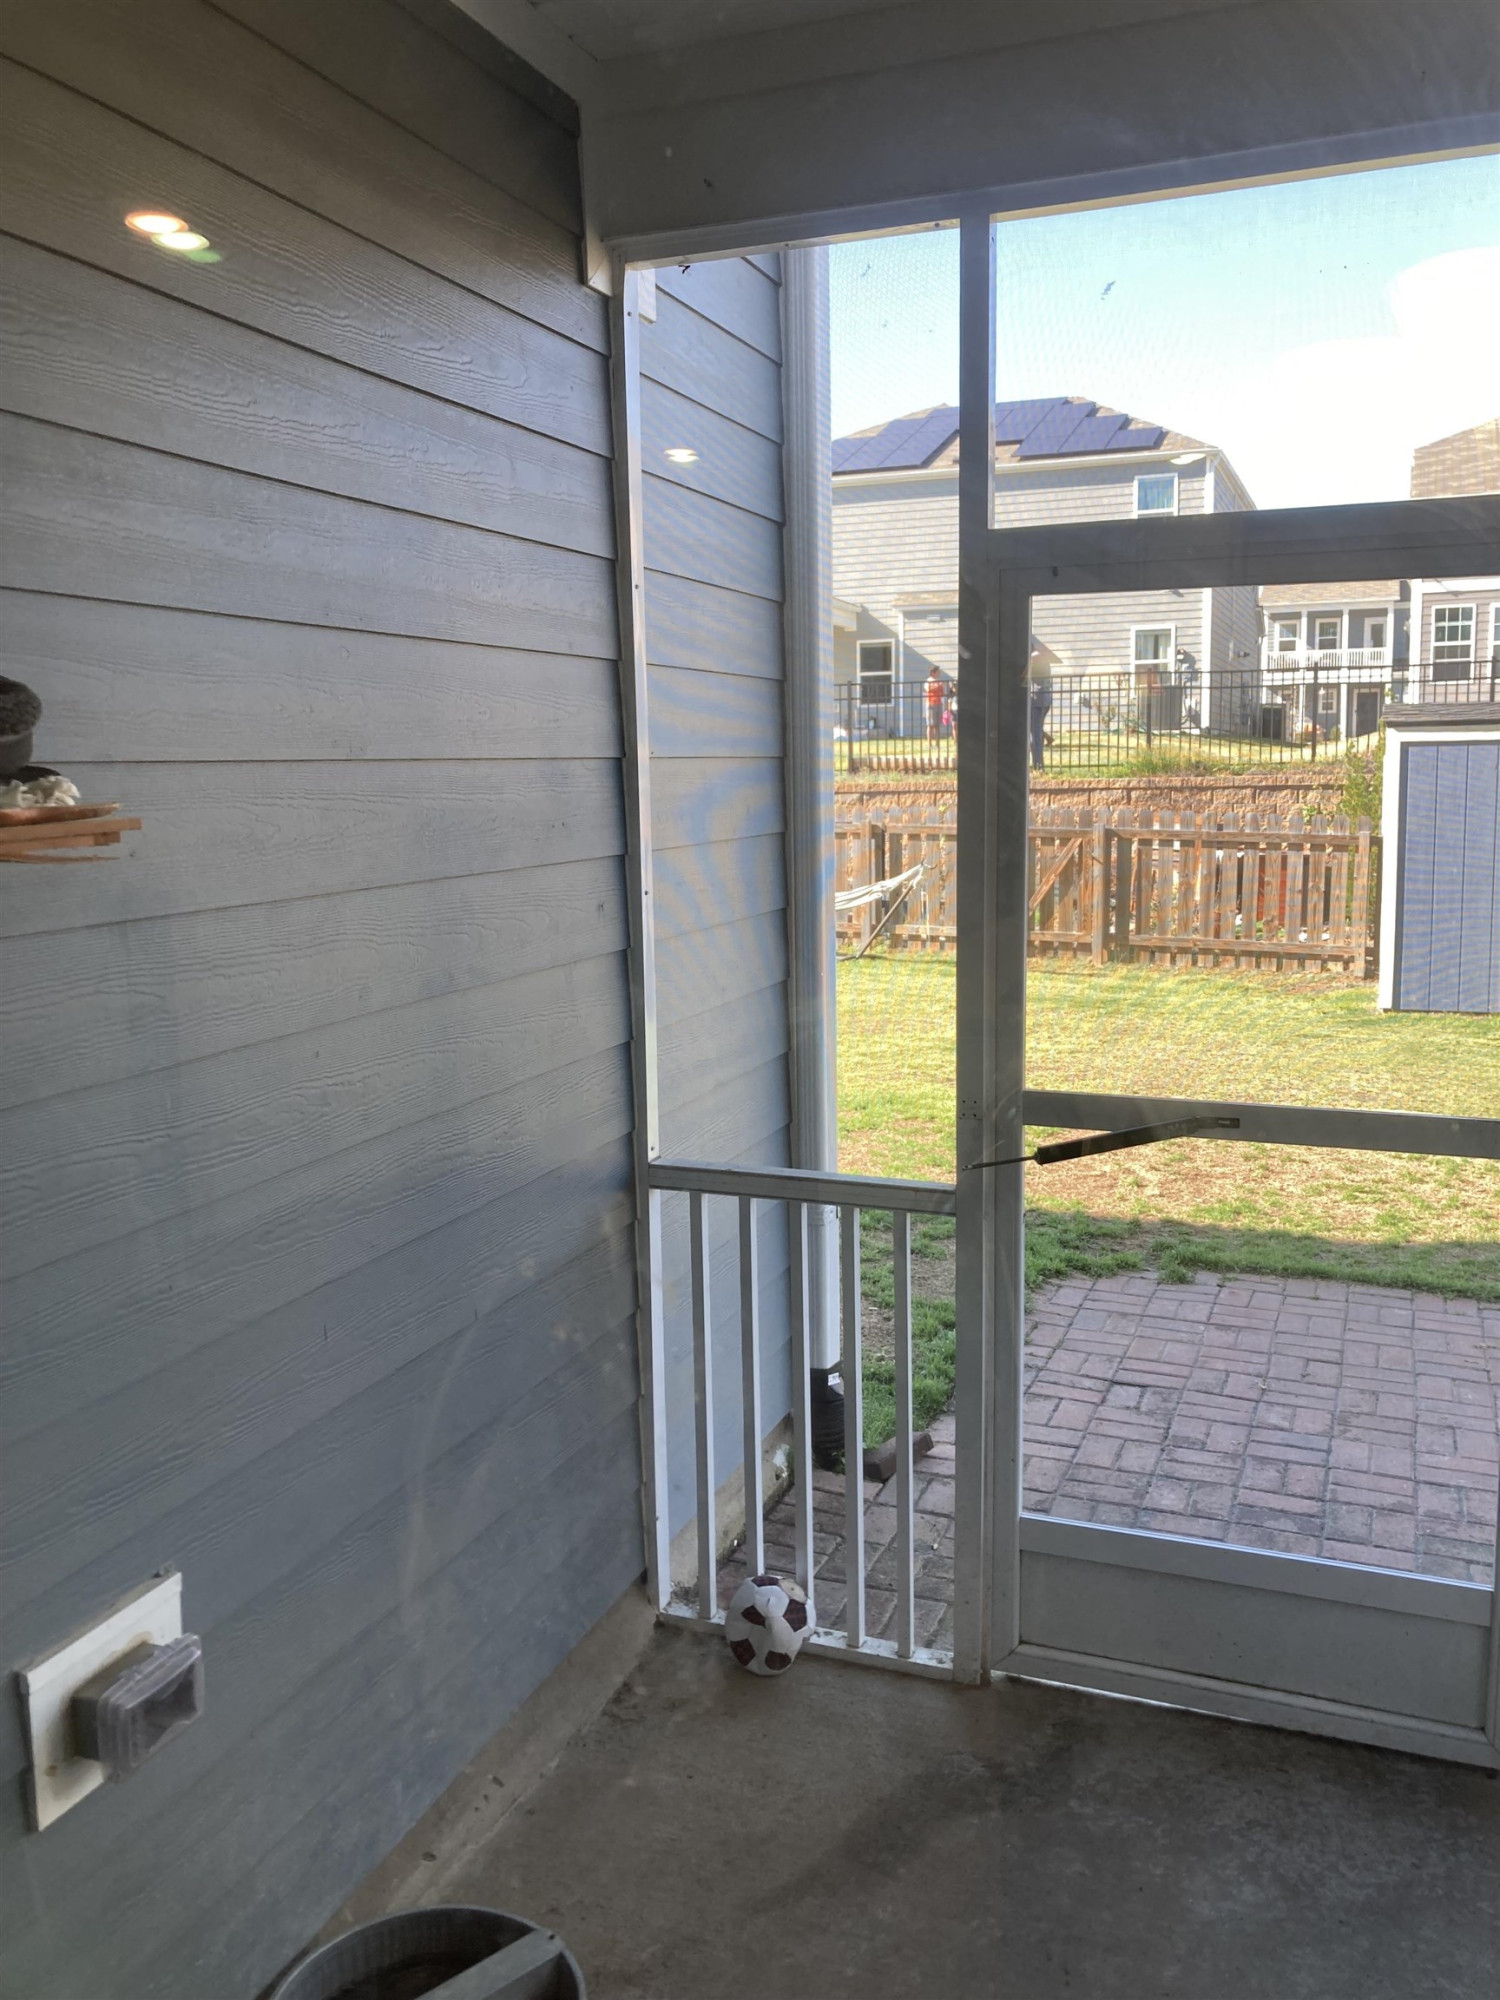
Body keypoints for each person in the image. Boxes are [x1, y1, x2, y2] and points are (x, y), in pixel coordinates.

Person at [1027, 634, 1054, 772]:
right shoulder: (1041, 656)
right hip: (1044, 699)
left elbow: (1024, 674)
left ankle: (1038, 766)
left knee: (1035, 734)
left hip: (1037, 700)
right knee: (1034, 730)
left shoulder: (1035, 657)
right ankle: (1038, 764)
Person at [924, 668, 946, 743]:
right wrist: (938, 686)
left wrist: (941, 687)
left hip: (939, 703)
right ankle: (929, 744)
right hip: (931, 704)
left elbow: (942, 693)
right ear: (933, 672)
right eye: (938, 672)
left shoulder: (939, 682)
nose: (939, 673)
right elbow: (928, 689)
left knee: (937, 725)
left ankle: (937, 743)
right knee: (930, 725)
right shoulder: (928, 681)